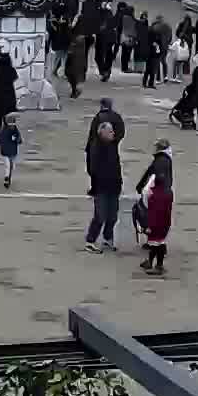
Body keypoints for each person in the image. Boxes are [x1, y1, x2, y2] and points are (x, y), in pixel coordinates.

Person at [84, 120, 124, 253]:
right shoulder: (96, 147)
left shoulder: (113, 145)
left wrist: (119, 182)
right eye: (110, 131)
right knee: (100, 216)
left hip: (114, 186)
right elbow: (93, 168)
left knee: (113, 216)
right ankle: (90, 241)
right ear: (102, 133)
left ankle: (107, 238)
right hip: (101, 187)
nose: (113, 133)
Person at [139, 176, 173, 276]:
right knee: (159, 242)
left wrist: (149, 226)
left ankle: (159, 266)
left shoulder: (154, 196)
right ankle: (150, 262)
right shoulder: (168, 193)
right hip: (165, 222)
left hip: (156, 224)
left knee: (156, 244)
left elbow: (153, 213)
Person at [0, 111, 23, 190]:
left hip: (8, 152)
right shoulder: (9, 130)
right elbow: (19, 140)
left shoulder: (6, 130)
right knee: (9, 166)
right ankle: (7, 179)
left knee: (10, 166)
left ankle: (7, 178)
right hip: (9, 152)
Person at [64, 33, 89, 100]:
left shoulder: (81, 36)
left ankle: (75, 91)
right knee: (68, 72)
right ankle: (75, 90)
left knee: (72, 72)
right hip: (73, 54)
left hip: (77, 55)